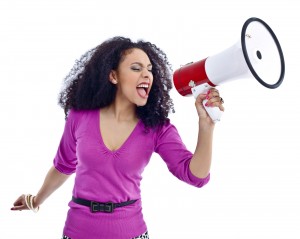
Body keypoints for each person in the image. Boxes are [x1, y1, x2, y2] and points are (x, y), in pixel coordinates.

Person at [11, 36, 224, 239]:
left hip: (132, 232)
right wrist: (35, 200)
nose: (147, 75)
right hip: (77, 231)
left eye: (149, 70)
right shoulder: (80, 117)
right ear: (113, 76)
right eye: (136, 68)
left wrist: (206, 126)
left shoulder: (157, 127)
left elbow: (195, 176)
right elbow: (63, 166)